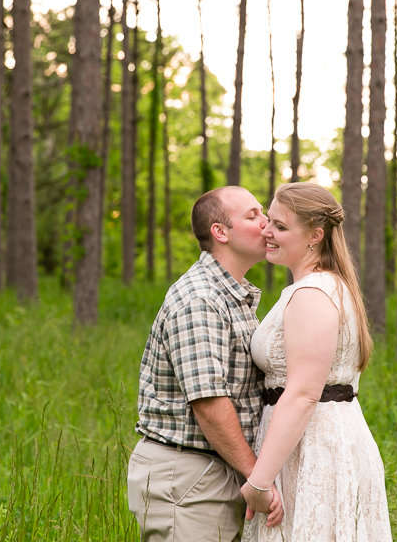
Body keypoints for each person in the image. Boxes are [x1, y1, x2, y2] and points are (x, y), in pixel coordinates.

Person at [127, 186, 283, 542]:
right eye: (253, 215)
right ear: (220, 232)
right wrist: (256, 477)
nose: (266, 222)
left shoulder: (232, 295)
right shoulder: (201, 299)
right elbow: (209, 403)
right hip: (187, 476)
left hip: (215, 468)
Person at [241, 182, 393, 542]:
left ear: (315, 236)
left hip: (314, 448)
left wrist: (259, 482)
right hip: (312, 439)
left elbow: (304, 393)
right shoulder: (325, 286)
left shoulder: (313, 293)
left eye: (280, 226)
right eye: (269, 221)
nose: (267, 230)